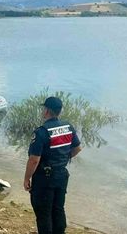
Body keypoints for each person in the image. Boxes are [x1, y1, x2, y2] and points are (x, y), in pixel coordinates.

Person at [24, 97, 82, 234]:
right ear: (59, 111)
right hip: (61, 176)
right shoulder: (68, 127)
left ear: (47, 111)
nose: (43, 111)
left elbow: (34, 160)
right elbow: (78, 148)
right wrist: (62, 159)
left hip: (44, 178)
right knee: (58, 209)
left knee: (44, 213)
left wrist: (27, 178)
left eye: (43, 108)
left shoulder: (41, 132)